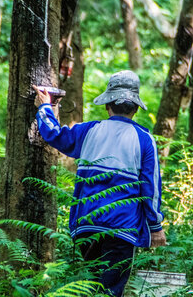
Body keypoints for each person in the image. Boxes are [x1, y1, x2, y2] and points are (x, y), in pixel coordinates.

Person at [33, 70, 166, 297]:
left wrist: (45, 107)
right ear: (135, 109)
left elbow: (53, 134)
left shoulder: (88, 131)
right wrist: (155, 227)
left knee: (90, 286)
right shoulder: (144, 139)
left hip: (87, 226)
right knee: (110, 291)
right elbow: (150, 189)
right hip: (122, 231)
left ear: (107, 105)